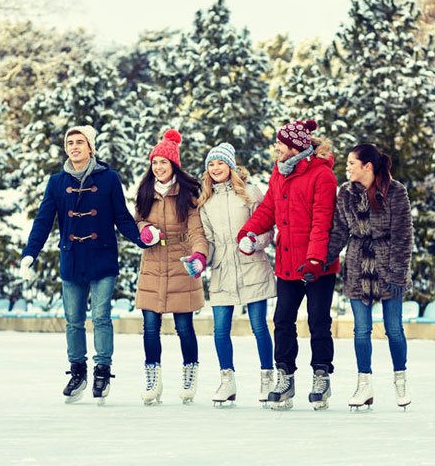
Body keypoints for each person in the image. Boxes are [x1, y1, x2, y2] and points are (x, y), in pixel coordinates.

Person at [20, 125, 149, 405]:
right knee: (73, 321)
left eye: (80, 142)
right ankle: (77, 371)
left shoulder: (109, 179)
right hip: (72, 259)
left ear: (91, 147)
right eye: (70, 142)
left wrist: (142, 239)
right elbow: (43, 221)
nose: (74, 146)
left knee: (101, 316)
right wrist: (30, 253)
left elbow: (123, 218)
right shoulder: (56, 182)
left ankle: (102, 370)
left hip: (102, 257)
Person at [238, 119, 339, 411]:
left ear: (295, 147)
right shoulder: (280, 173)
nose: (276, 149)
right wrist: (248, 232)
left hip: (316, 265)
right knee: (283, 321)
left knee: (319, 321)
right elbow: (268, 208)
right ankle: (285, 375)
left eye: (280, 144)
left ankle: (321, 375)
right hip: (287, 262)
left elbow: (323, 220)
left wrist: (315, 258)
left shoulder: (322, 176)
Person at [325, 143, 413, 410]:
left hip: (388, 265)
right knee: (361, 330)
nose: (347, 167)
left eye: (352, 163)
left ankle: (401, 381)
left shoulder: (395, 192)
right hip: (358, 264)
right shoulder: (345, 194)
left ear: (368, 166)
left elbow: (403, 236)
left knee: (393, 329)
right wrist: (321, 259)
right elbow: (339, 231)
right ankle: (364, 385)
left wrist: (398, 274)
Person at [197, 143, 276, 407]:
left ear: (230, 166)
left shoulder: (251, 193)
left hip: (251, 265)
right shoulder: (205, 200)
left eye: (220, 163)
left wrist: (255, 242)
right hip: (222, 269)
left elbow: (267, 228)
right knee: (220, 330)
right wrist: (200, 260)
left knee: (259, 326)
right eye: (211, 164)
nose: (215, 168)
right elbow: (207, 239)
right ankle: (227, 380)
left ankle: (267, 377)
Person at [134, 128, 209, 405]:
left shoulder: (187, 195)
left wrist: (199, 256)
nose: (158, 167)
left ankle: (190, 373)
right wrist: (144, 231)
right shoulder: (144, 191)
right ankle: (152, 378)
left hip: (181, 262)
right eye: (154, 162)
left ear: (173, 165)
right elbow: (137, 219)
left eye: (163, 162)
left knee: (184, 326)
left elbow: (197, 231)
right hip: (153, 263)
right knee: (150, 326)